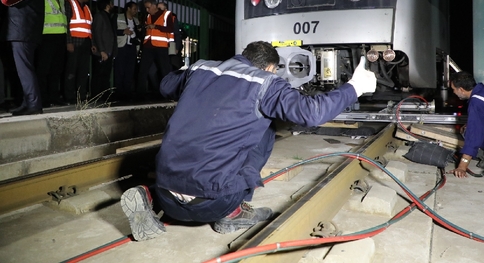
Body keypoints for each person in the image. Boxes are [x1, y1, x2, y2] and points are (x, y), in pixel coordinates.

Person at [120, 41, 377, 240]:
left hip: (167, 195)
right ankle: (233, 211)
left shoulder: (201, 68)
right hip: (214, 202)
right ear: (269, 67)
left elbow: (166, 85)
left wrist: (191, 70)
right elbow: (312, 113)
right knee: (266, 127)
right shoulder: (266, 83)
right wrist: (354, 86)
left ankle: (150, 196)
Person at [0, 0, 44, 116]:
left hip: (23, 34)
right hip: (26, 34)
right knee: (25, 69)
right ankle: (28, 103)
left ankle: (33, 104)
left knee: (25, 70)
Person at [36, 0, 69, 107]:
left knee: (56, 69)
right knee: (43, 70)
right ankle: (43, 99)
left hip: (60, 37)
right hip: (46, 36)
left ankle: (54, 97)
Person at [135, 0, 173, 98]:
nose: (147, 10)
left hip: (161, 46)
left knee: (164, 70)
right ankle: (140, 95)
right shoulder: (148, 16)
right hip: (148, 46)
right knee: (143, 70)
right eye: (145, 8)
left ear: (154, 6)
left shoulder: (167, 14)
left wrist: (155, 26)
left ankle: (167, 93)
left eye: (148, 7)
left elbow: (170, 28)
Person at [64, 0, 93, 103]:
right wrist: (68, 42)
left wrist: (92, 43)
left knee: (83, 71)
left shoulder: (86, 8)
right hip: (74, 43)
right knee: (71, 70)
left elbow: (89, 26)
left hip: (85, 43)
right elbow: (65, 24)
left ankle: (81, 95)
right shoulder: (69, 4)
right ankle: (69, 96)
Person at [91, 0, 117, 101]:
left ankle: (104, 96)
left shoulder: (109, 17)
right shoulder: (100, 16)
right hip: (102, 52)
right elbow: (97, 33)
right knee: (99, 75)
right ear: (107, 5)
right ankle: (96, 97)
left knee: (105, 75)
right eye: (111, 3)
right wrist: (101, 50)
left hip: (108, 51)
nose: (113, 5)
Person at [114, 1, 140, 101]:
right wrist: (123, 31)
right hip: (121, 46)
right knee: (120, 70)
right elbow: (112, 30)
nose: (136, 11)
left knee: (130, 71)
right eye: (134, 9)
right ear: (128, 8)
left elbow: (138, 34)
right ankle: (119, 93)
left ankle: (127, 93)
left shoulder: (136, 20)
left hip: (132, 47)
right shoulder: (118, 17)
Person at [157, 1, 183, 70]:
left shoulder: (172, 18)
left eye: (160, 9)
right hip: (157, 45)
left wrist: (176, 48)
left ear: (165, 10)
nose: (158, 11)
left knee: (170, 66)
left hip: (170, 45)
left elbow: (176, 34)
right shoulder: (154, 18)